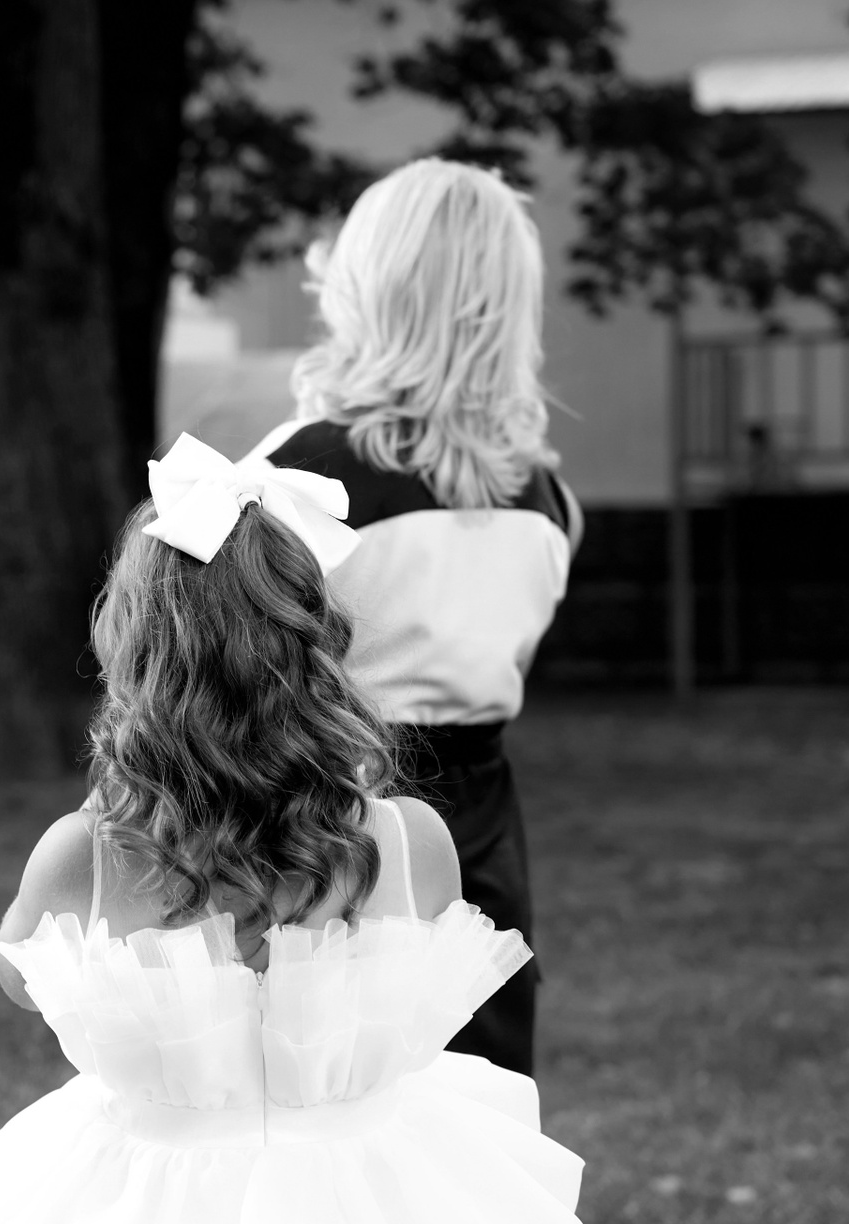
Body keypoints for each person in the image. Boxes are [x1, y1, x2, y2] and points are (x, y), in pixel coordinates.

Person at [0, 435, 584, 1224]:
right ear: (317, 641)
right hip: (370, 1187)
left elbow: (23, 979)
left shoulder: (86, 856)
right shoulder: (412, 842)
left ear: (135, 654)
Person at [251, 158, 584, 1078]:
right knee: (473, 1103)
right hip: (483, 848)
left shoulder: (294, 479)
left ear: (366, 282)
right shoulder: (547, 501)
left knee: (331, 1108)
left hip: (324, 838)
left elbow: (223, 667)